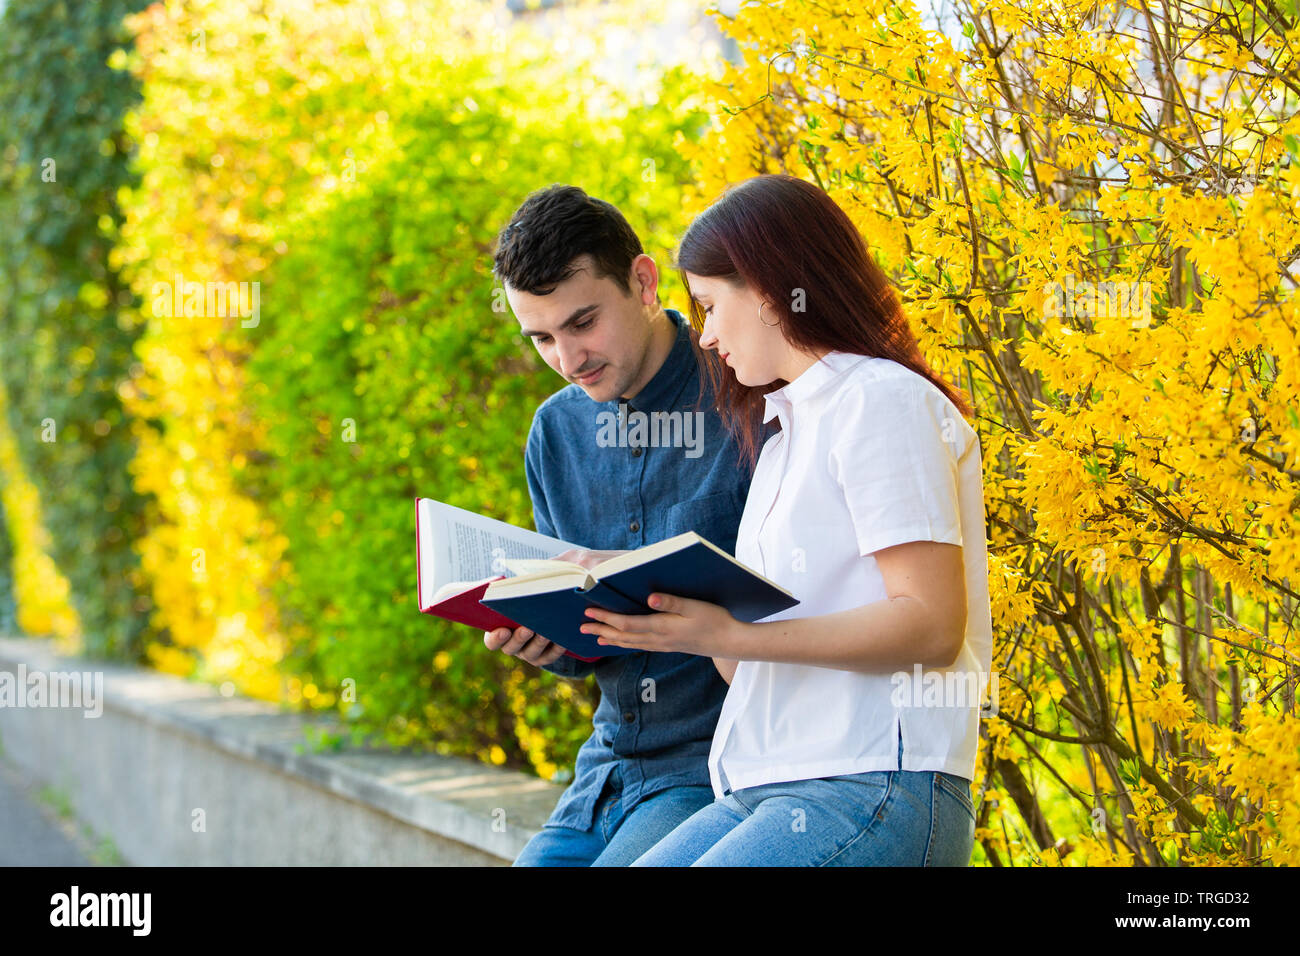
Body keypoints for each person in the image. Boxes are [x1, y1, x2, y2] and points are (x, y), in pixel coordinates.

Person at [579, 173, 994, 866]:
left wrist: (733, 630)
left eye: (710, 306)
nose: (706, 337)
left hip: (872, 780)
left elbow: (930, 625)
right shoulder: (784, 434)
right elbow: (757, 670)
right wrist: (683, 614)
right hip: (764, 783)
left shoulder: (880, 400)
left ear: (771, 289)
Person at [486, 184, 756, 866]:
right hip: (603, 775)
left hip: (715, 771)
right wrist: (545, 643)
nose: (567, 361)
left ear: (642, 281)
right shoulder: (555, 432)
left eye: (581, 324)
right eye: (541, 338)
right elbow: (588, 650)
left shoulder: (743, 396)